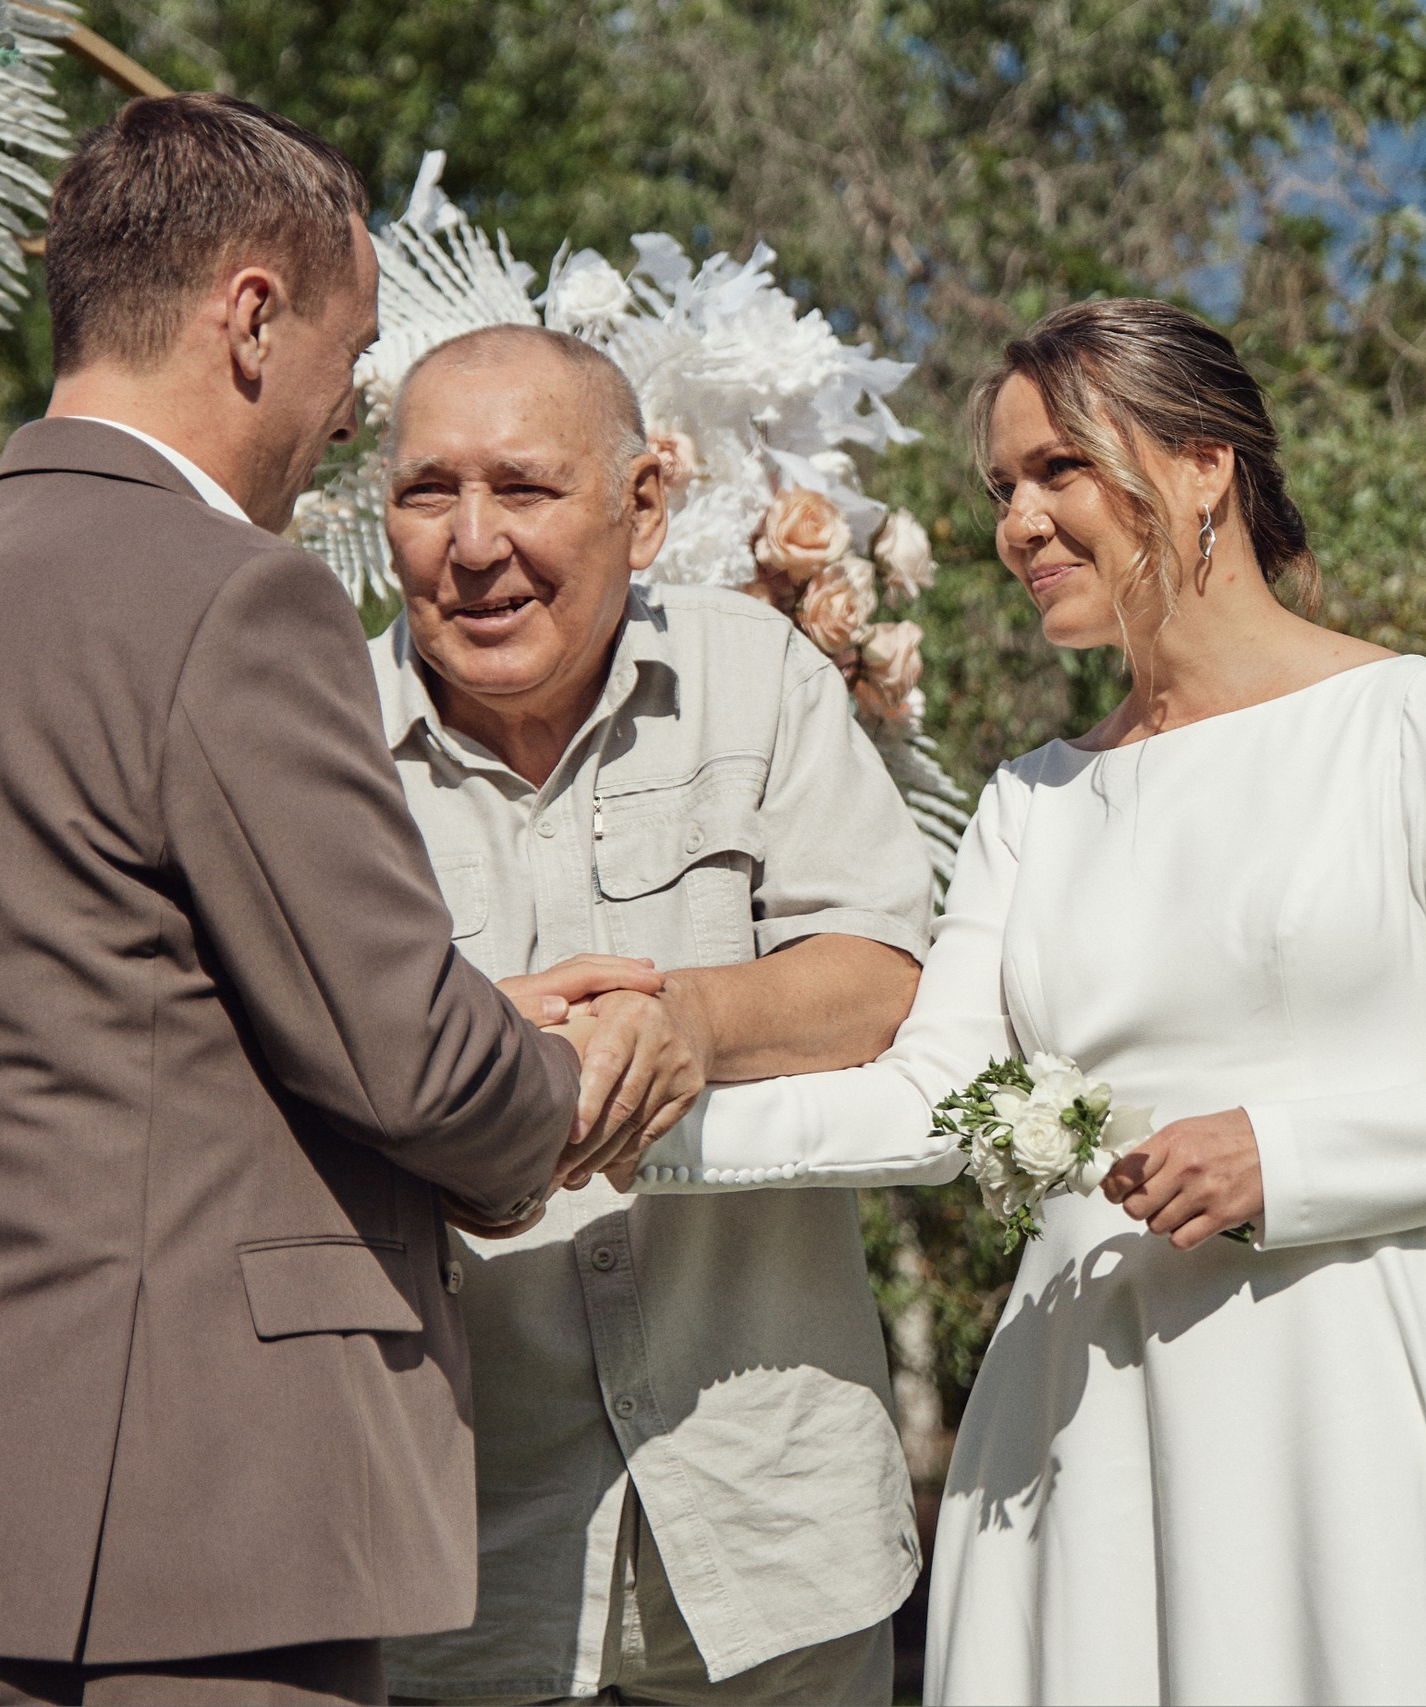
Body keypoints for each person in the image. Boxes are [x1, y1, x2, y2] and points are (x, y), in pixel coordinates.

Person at [0, 95, 657, 1706]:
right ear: (250, 317)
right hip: (182, 1530)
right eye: (350, 359)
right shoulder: (233, 598)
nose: (346, 417)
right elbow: (414, 1067)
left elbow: (87, 1014)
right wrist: (579, 1067)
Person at [630, 298, 1426, 1705]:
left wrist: (1282, 1159)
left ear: (1201, 466)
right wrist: (616, 1127)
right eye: (1002, 488)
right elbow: (932, 1100)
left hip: (1351, 1388)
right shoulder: (1032, 801)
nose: (1019, 521)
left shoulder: (1420, 723)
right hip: (1085, 1417)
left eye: (1059, 468)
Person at [363, 323, 935, 1704]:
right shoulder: (305, 735)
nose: (474, 541)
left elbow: (884, 976)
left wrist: (695, 1023)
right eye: (429, 491)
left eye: (526, 487)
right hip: (457, 1570)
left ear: (646, 507)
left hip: (774, 1528)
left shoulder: (760, 678)